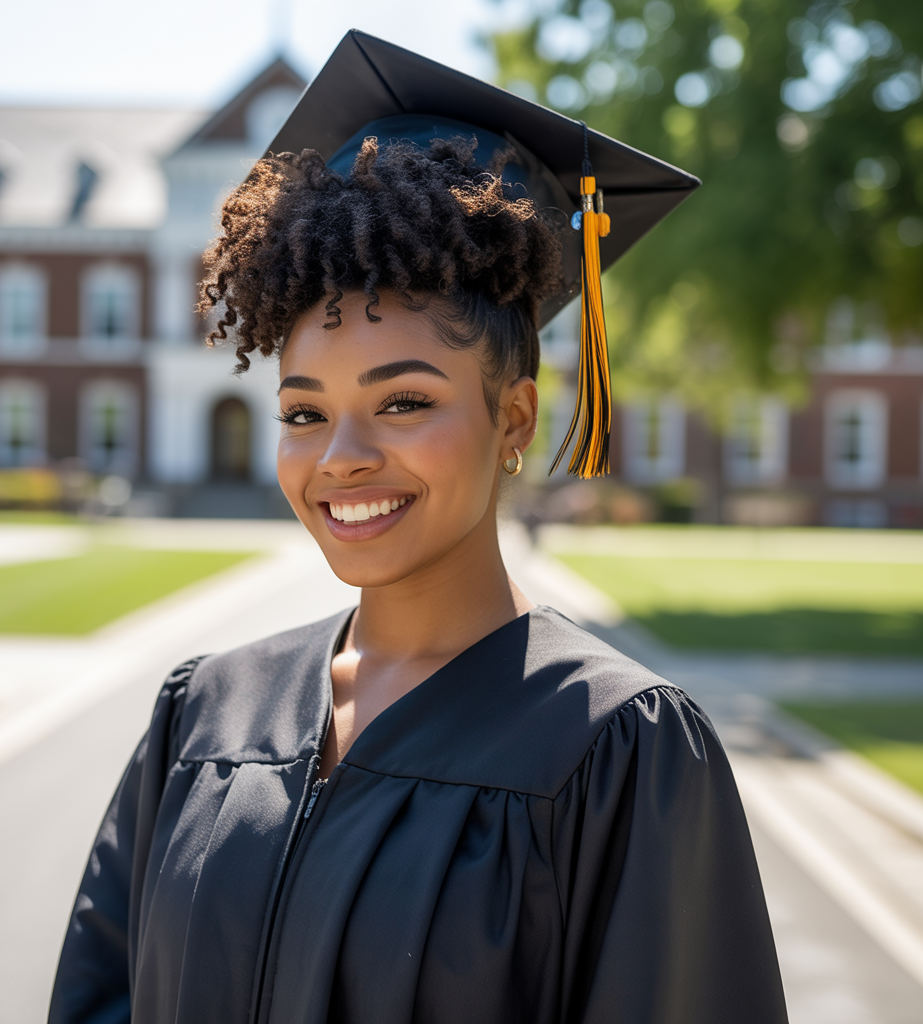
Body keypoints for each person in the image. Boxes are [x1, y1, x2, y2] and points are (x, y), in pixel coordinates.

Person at [50, 32, 787, 1024]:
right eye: (304, 412)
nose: (340, 458)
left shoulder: (614, 750)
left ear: (513, 418)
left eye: (403, 402)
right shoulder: (205, 714)